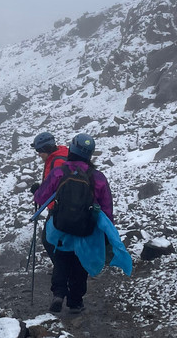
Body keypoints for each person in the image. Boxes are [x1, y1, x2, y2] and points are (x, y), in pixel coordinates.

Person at [34, 132, 132, 314]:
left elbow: (41, 197)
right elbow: (107, 208)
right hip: (86, 227)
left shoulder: (59, 171)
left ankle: (58, 294)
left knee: (62, 257)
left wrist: (38, 191)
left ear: (71, 148)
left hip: (61, 225)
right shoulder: (98, 177)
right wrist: (106, 231)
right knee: (80, 261)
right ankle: (75, 302)